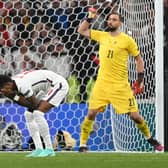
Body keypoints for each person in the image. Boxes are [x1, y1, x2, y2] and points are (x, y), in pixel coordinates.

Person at [77, 9, 164, 152]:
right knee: (91, 113)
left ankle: (150, 139)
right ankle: (82, 145)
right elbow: (82, 30)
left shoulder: (127, 40)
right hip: (102, 84)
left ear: (120, 23)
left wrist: (140, 79)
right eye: (109, 19)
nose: (110, 21)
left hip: (120, 86)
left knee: (135, 117)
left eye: (114, 19)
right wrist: (90, 17)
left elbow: (139, 59)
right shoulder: (102, 35)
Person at [0, 69, 69, 157]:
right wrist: (14, 97)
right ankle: (38, 149)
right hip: (44, 89)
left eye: (2, 89)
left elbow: (33, 104)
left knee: (38, 113)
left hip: (57, 84)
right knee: (28, 115)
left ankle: (49, 148)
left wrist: (14, 96)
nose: (2, 92)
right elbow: (26, 104)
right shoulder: (12, 85)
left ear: (8, 84)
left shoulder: (22, 85)